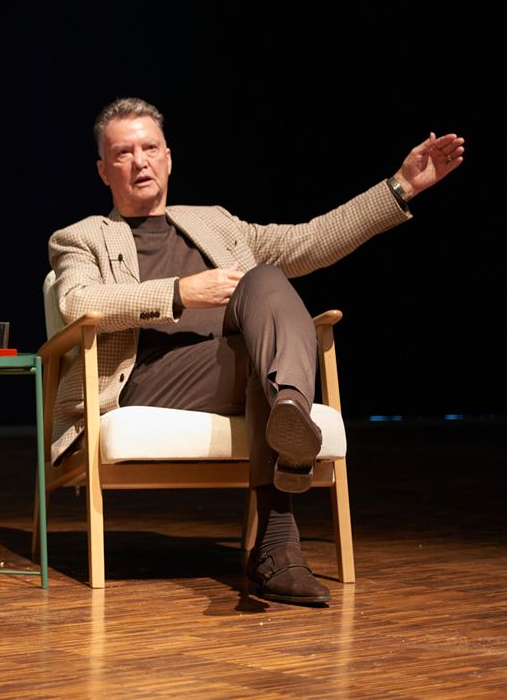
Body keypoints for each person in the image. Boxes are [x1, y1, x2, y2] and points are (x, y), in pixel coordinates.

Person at [49, 97, 463, 606]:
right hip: (148, 378)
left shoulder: (214, 223)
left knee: (267, 281)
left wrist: (400, 186)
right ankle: (277, 546)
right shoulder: (82, 236)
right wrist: (180, 292)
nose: (140, 161)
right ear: (103, 170)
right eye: (123, 153)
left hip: (241, 367)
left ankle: (288, 416)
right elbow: (78, 301)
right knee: (277, 359)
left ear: (169, 157)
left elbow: (309, 241)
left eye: (150, 148)